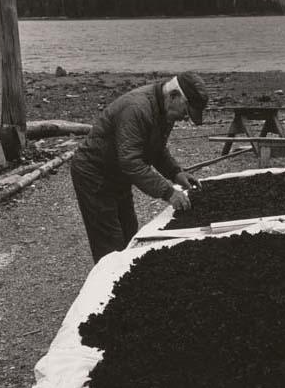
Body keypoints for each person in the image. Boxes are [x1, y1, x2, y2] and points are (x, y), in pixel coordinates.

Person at [71, 72, 209, 263]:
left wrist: (176, 173)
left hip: (118, 173)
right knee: (110, 242)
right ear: (173, 95)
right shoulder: (137, 109)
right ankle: (109, 285)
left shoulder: (165, 111)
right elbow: (130, 161)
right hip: (94, 172)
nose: (184, 119)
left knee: (129, 233)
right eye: (185, 112)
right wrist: (169, 192)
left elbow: (156, 150)